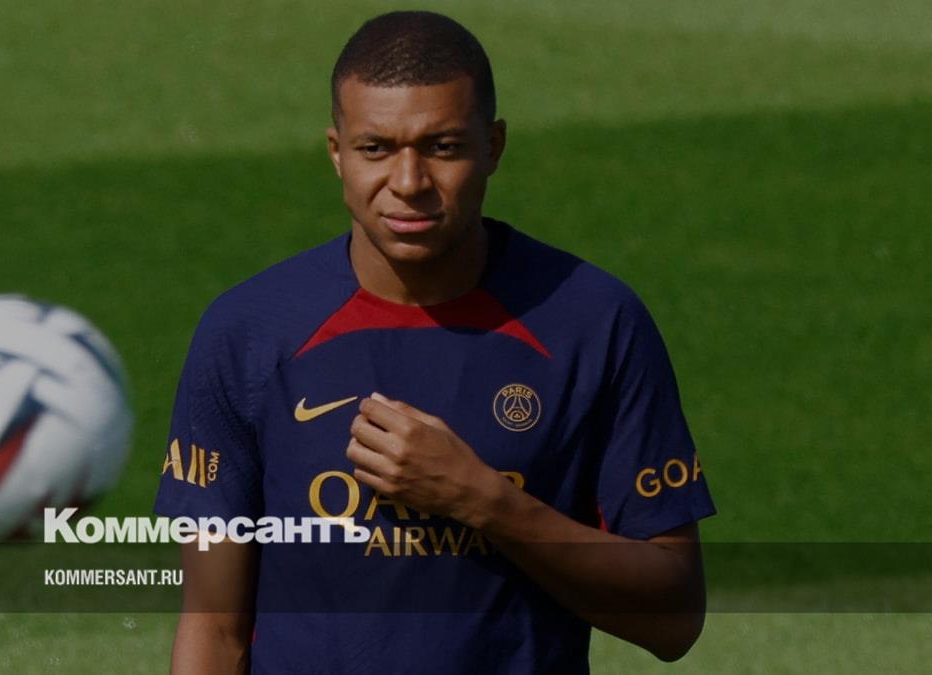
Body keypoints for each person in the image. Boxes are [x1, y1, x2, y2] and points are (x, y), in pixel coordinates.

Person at [155, 10, 715, 674]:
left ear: (493, 146)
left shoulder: (595, 321)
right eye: (376, 148)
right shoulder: (248, 331)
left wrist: (482, 500)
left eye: (442, 147)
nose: (409, 182)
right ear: (336, 152)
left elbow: (674, 619)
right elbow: (215, 631)